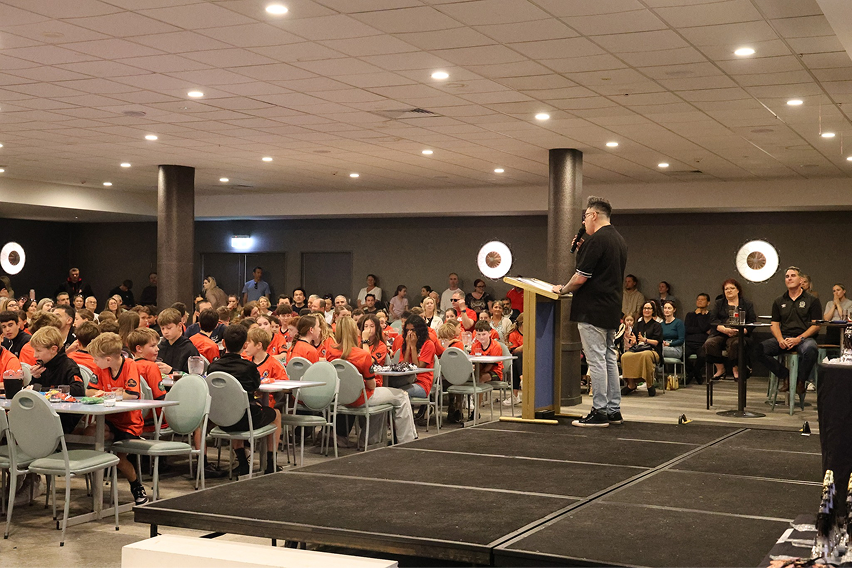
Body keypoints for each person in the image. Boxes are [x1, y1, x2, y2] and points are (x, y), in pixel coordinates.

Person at [553, 197, 627, 426]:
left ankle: (599, 411)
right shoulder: (619, 240)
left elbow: (581, 277)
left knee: (596, 360)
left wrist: (562, 290)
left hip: (591, 309)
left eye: (585, 216)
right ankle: (613, 410)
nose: (583, 221)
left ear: (594, 215)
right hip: (610, 307)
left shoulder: (596, 241)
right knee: (608, 359)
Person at [328, 316, 416, 447]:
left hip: (340, 398)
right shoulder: (363, 354)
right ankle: (407, 441)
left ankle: (369, 440)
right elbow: (371, 385)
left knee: (383, 400)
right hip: (361, 397)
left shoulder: (330, 352)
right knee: (402, 396)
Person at [208, 324, 281, 476]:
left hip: (221, 420)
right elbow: (256, 386)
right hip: (246, 420)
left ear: (223, 343)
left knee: (233, 409)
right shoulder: (249, 367)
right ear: (245, 345)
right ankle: (271, 462)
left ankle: (242, 462)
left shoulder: (213, 368)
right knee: (276, 414)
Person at [755, 266, 822, 395]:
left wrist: (799, 339)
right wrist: (780, 339)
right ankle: (786, 375)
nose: (789, 278)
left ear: (801, 280)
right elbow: (774, 324)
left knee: (811, 349)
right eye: (787, 276)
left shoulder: (812, 300)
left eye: (793, 276)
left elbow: (816, 325)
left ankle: (801, 381)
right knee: (759, 350)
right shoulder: (779, 301)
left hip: (804, 338)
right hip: (784, 337)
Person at [28, 326, 85, 433]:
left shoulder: (69, 365)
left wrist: (41, 390)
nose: (35, 355)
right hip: (43, 413)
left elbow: (78, 390)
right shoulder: (41, 366)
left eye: (38, 351)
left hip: (64, 416)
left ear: (54, 349)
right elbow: (32, 389)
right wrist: (35, 378)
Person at [704, 279, 757, 380]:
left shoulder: (746, 303)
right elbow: (713, 319)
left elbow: (752, 320)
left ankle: (735, 369)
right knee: (710, 343)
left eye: (732, 288)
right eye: (726, 289)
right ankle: (720, 369)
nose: (729, 291)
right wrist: (723, 329)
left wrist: (743, 331)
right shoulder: (719, 303)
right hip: (721, 332)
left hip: (740, 333)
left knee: (736, 344)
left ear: (738, 290)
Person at [620, 301, 663, 397]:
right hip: (638, 349)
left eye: (649, 308)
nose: (646, 310)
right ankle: (631, 384)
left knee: (645, 355)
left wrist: (645, 340)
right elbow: (634, 340)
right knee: (625, 356)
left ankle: (649, 384)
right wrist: (634, 340)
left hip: (652, 350)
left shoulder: (657, 325)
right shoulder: (638, 324)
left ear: (653, 311)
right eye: (645, 308)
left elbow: (657, 342)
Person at [156, 308, 200, 374]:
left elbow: (194, 377)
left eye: (169, 328)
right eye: (162, 328)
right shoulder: (160, 348)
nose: (165, 332)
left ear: (179, 326)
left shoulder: (189, 349)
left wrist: (171, 371)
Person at [684, 293, 712, 384]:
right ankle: (695, 374)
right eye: (698, 299)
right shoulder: (690, 315)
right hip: (689, 342)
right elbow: (688, 329)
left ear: (708, 303)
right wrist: (702, 330)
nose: (699, 301)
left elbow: (704, 327)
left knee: (703, 356)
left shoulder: (710, 315)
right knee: (682, 355)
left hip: (702, 343)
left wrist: (700, 316)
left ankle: (691, 375)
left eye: (702, 300)